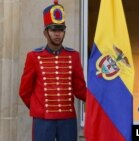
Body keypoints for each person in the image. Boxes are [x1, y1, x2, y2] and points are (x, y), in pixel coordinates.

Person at [19, 1, 87, 140]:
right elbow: (24, 91)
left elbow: (80, 90)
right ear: (46, 32)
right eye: (54, 30)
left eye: (61, 30)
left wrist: (100, 98)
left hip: (67, 120)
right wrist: (39, 108)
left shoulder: (73, 56)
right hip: (43, 120)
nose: (58, 34)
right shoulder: (33, 57)